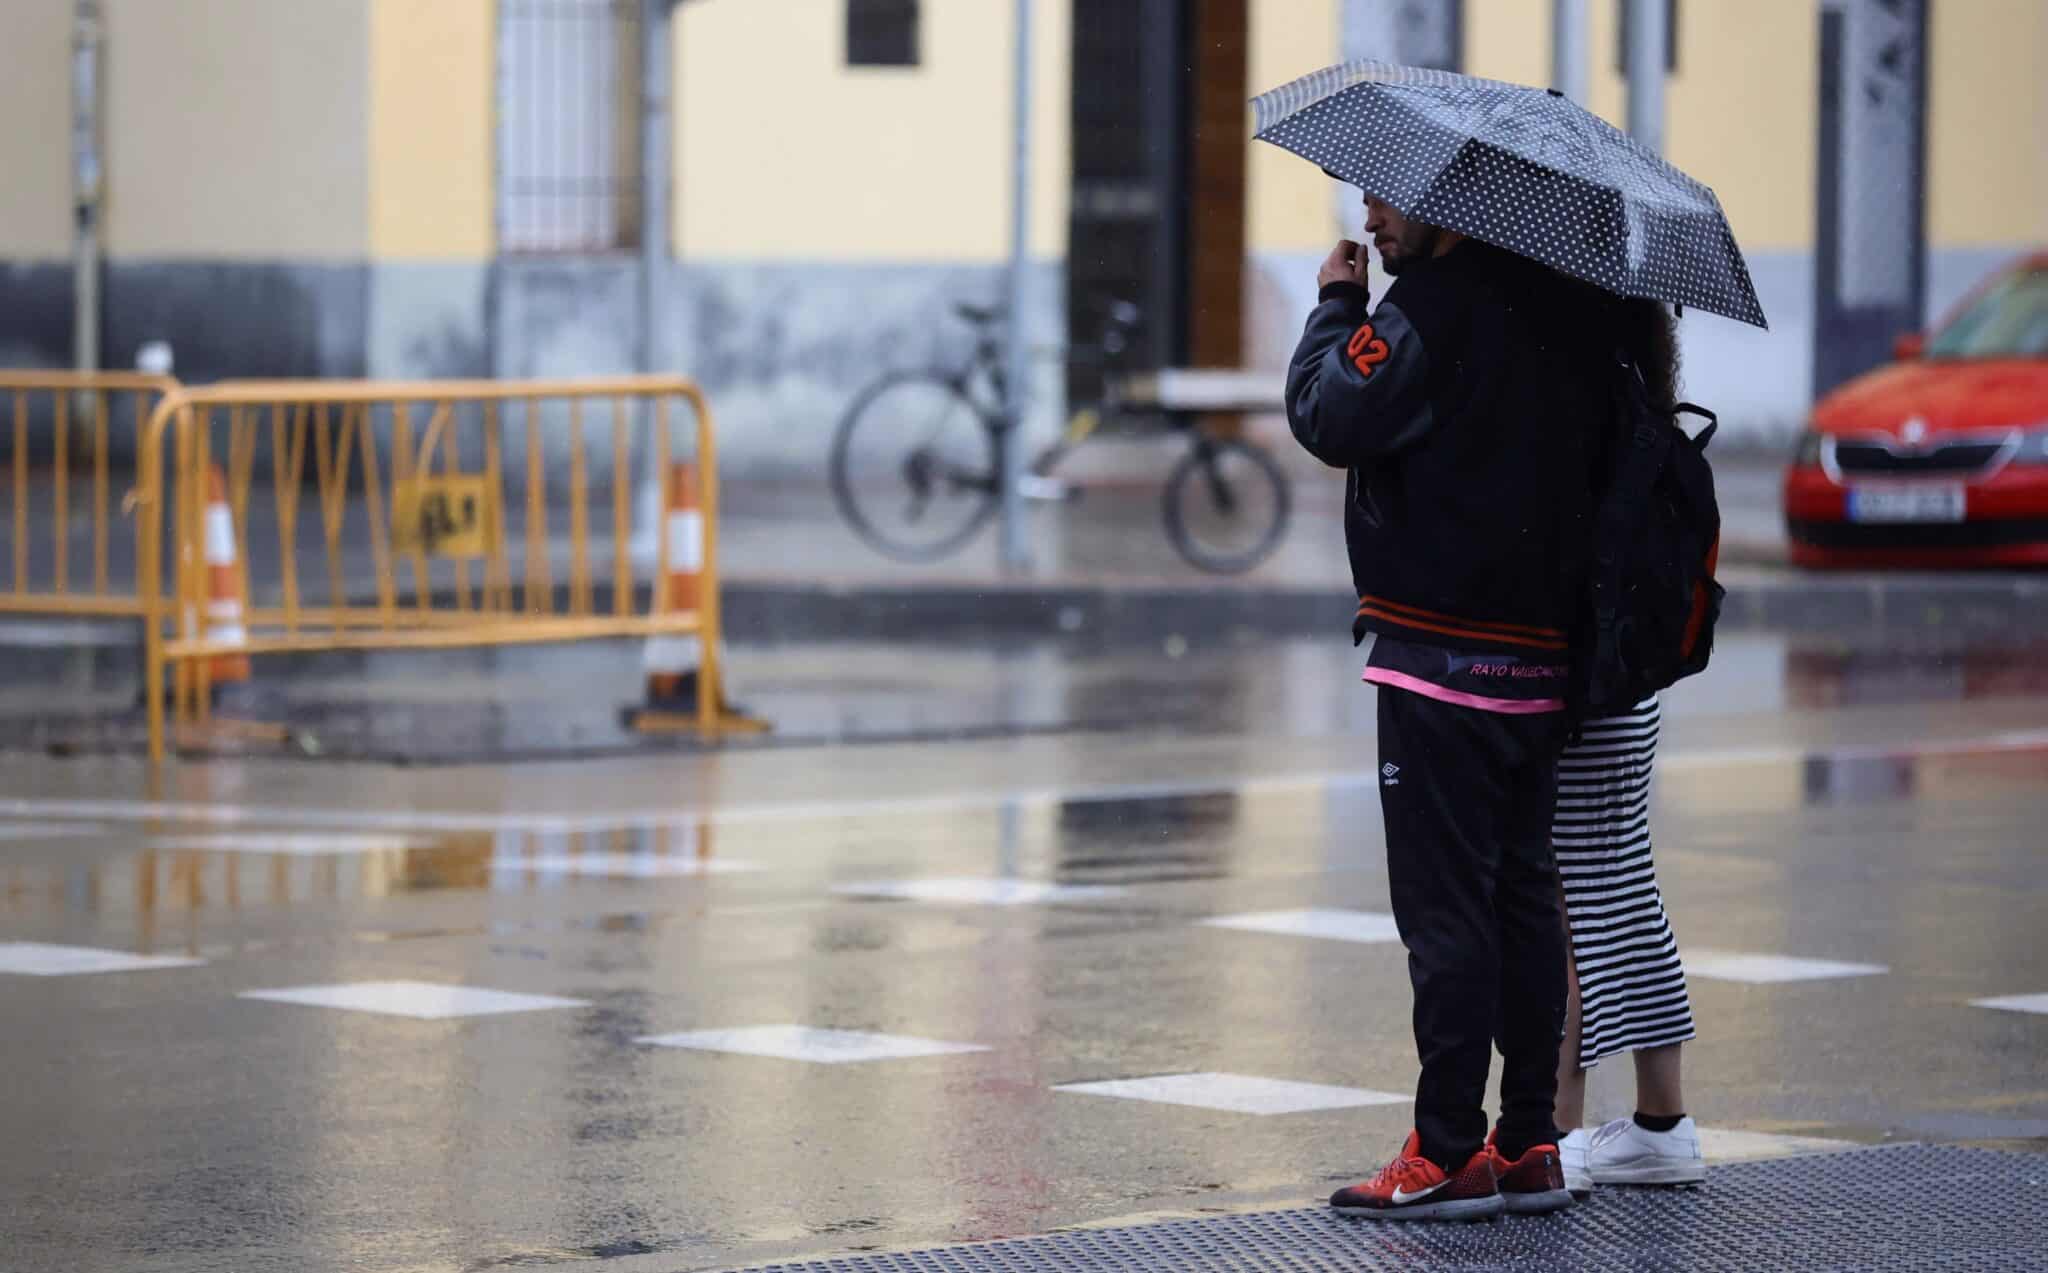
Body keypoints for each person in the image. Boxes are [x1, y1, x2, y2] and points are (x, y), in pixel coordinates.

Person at [1286, 194, 1627, 1222]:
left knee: (1444, 911)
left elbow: (1327, 414)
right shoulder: (1576, 315)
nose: (1371, 218)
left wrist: (1336, 306)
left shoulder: (1430, 307)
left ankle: (1440, 1151)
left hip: (1440, 658)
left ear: (1449, 211)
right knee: (1522, 898)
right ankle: (1528, 1139)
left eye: (1388, 203)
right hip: (1542, 665)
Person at [1551, 301, 1705, 1194]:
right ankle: (1661, 1121)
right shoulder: (1644, 389)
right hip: (1632, 675)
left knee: (1567, 890)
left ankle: (1559, 1128)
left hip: (1582, 671)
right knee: (1621, 876)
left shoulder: (1578, 398)